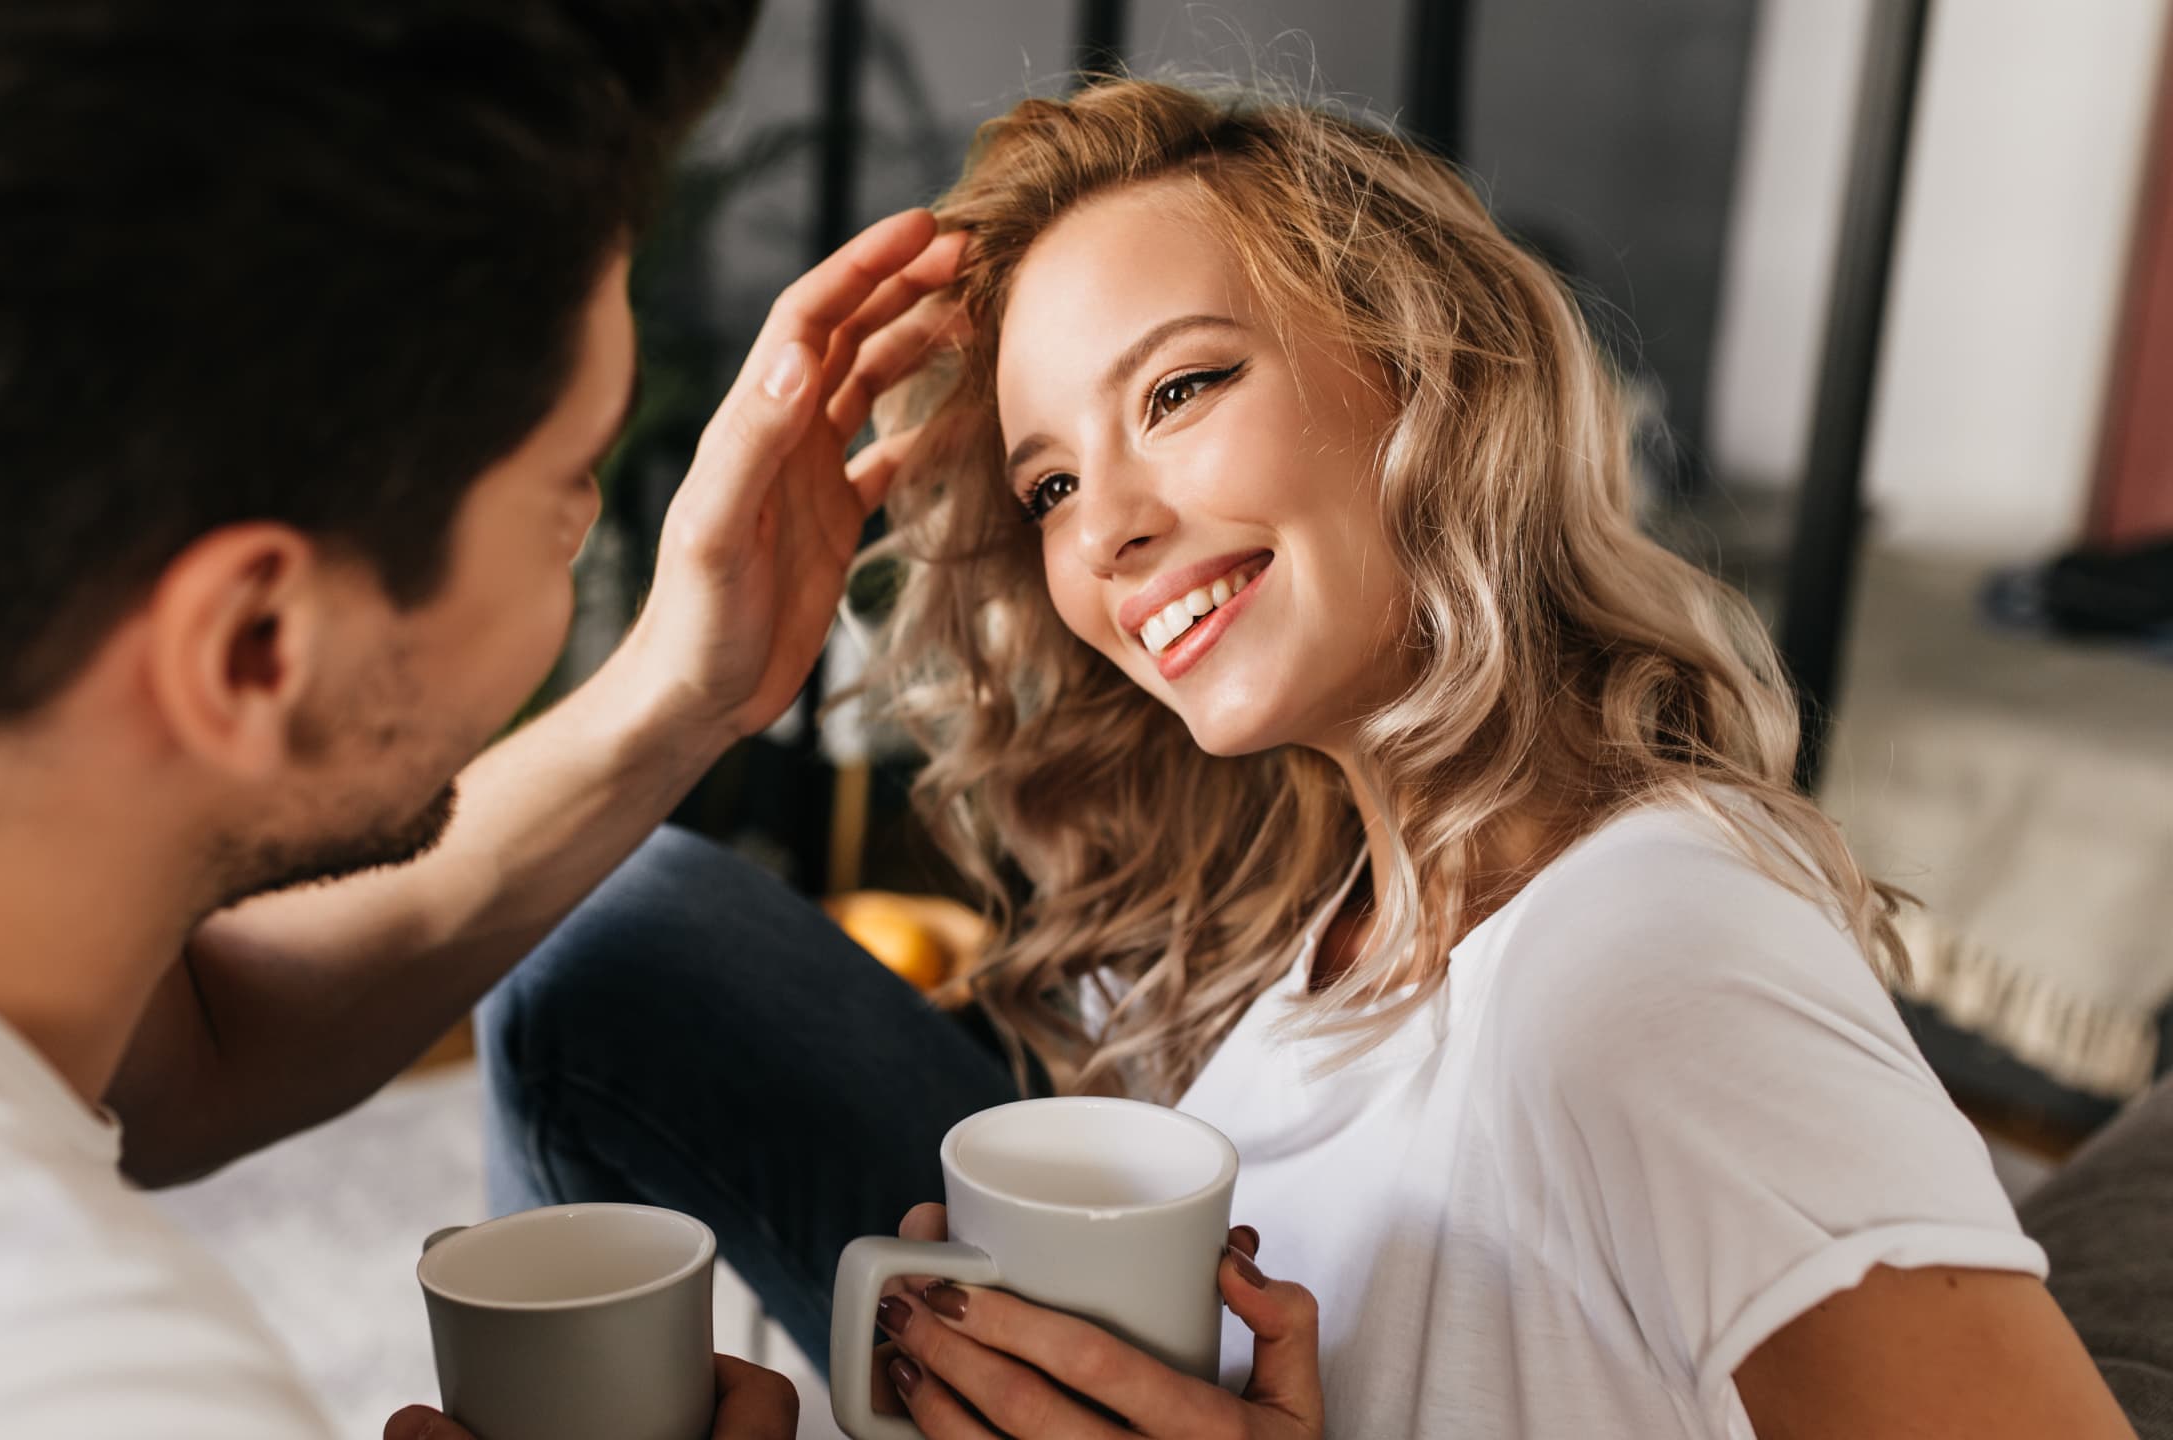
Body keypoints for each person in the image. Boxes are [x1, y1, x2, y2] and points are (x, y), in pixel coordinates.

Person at [477, 78, 2143, 1438]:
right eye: (1050, 485)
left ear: (1429, 373)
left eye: (1182, 389)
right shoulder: (1338, 911)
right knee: (605, 946)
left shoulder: (1643, 964)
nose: (1109, 529)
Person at [0, 2, 967, 1435]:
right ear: (258, 641)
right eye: (566, 485)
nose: (591, 527)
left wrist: (678, 694)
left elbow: (178, 1060)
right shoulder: (46, 1377)